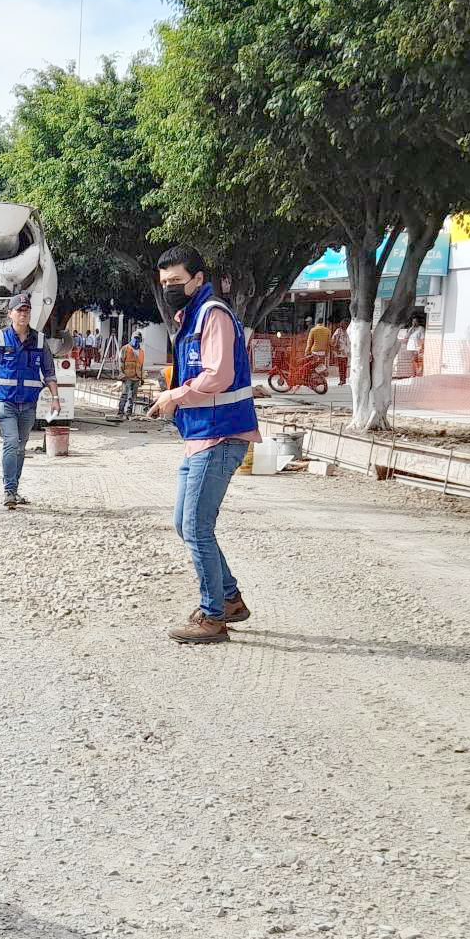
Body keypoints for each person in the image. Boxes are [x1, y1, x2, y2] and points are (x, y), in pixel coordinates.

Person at [147, 244, 258, 645]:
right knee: (185, 524)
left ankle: (214, 617)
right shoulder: (191, 317)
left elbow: (219, 375)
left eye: (177, 281)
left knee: (196, 527)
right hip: (201, 435)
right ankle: (229, 600)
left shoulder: (214, 315)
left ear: (198, 279)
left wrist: (174, 396)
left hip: (221, 434)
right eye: (164, 284)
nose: (170, 289)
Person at [0, 292, 57, 509]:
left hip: (28, 405)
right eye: (19, 310)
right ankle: (9, 491)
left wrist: (56, 398)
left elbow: (49, 373)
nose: (23, 314)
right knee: (11, 442)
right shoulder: (0, 339)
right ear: (10, 314)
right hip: (6, 402)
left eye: (26, 310)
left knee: (21, 447)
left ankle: (13, 488)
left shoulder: (40, 341)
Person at [116, 332, 145, 421]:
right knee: (125, 395)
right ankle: (120, 412)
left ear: (140, 340)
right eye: (135, 338)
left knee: (132, 396)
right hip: (127, 377)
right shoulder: (125, 349)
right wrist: (122, 374)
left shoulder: (141, 352)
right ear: (131, 338)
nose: (136, 340)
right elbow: (120, 362)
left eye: (138, 339)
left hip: (136, 377)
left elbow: (141, 366)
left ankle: (129, 413)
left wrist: (142, 378)